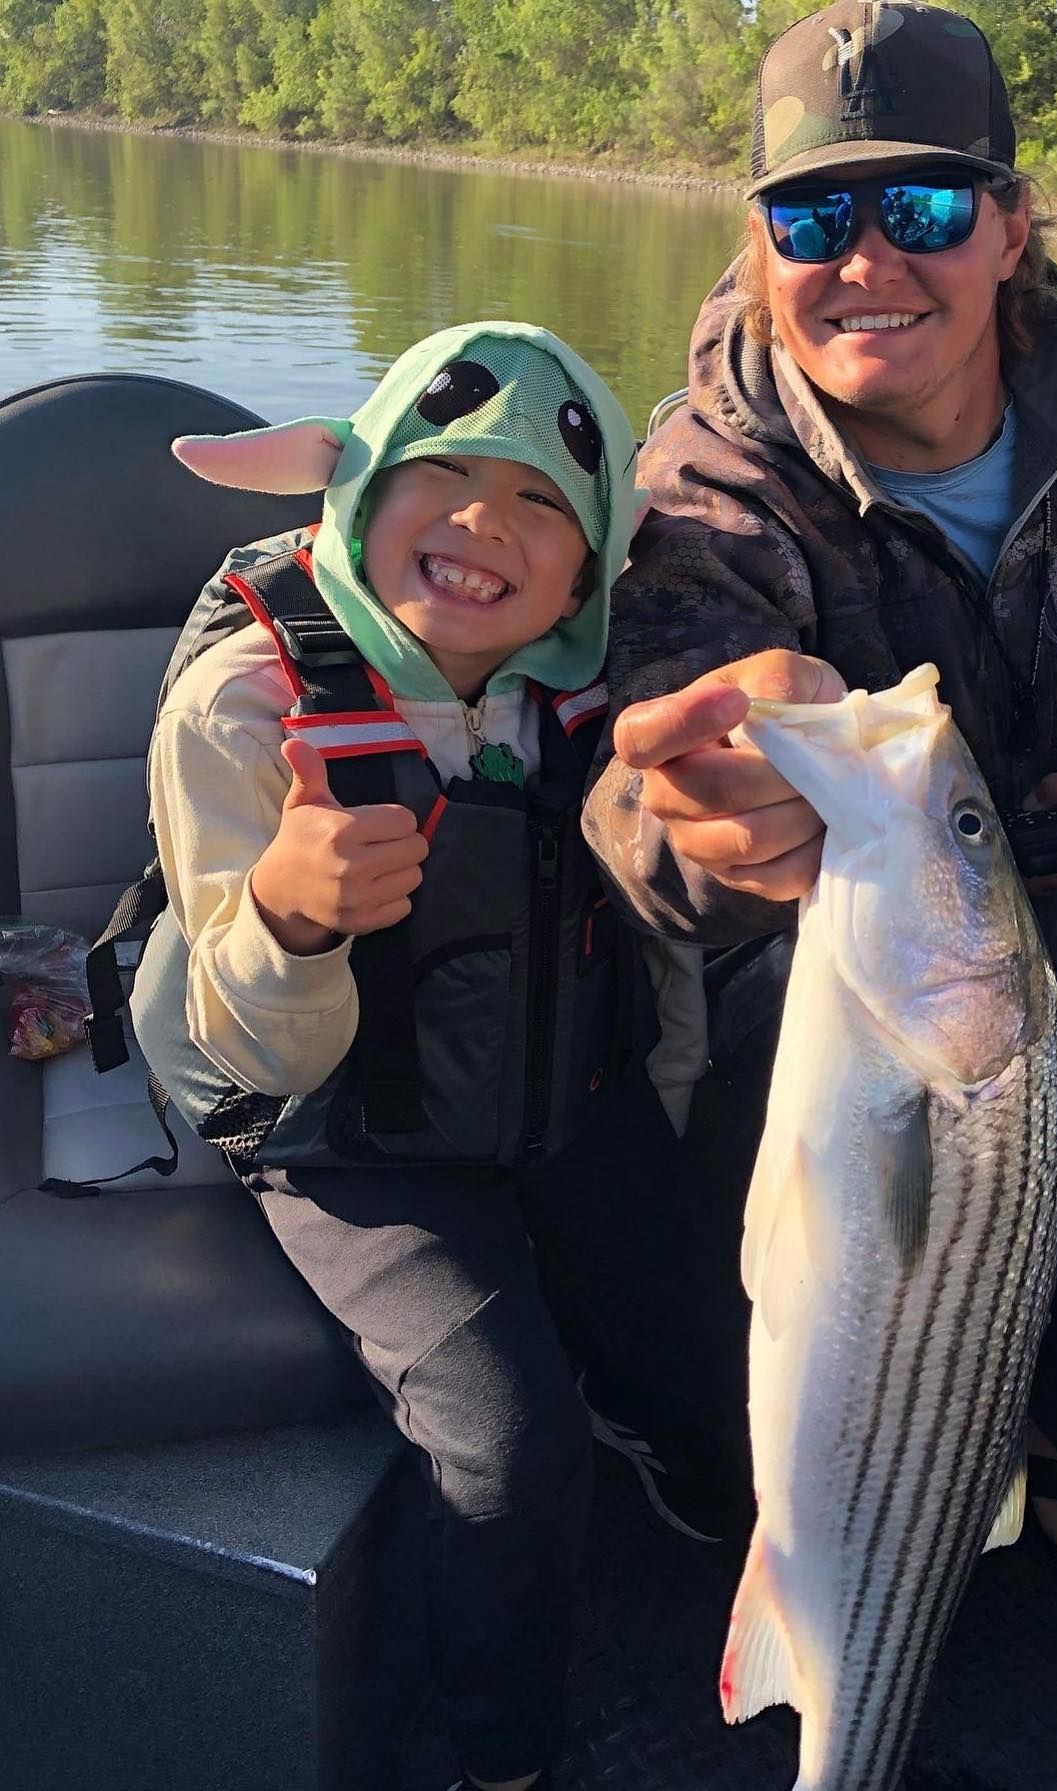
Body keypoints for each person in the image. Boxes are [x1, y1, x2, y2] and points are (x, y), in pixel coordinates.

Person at [583, 0, 1057, 1599]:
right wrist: (703, 827)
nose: (868, 258)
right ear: (756, 248)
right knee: (778, 1094)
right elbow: (647, 804)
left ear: (1013, 231)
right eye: (814, 213)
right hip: (849, 991)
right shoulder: (709, 486)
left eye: (929, 208)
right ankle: (772, 1466)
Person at [129, 322, 693, 1791]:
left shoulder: (598, 693)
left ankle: (667, 1456)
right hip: (334, 1121)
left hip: (546, 1080)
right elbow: (248, 1040)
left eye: (539, 505)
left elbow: (655, 947)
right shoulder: (243, 707)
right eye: (434, 475)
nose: (478, 525)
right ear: (351, 485)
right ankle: (488, 1758)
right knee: (511, 1449)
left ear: (595, 566)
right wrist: (290, 918)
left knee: (726, 1359)